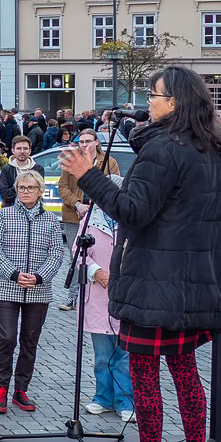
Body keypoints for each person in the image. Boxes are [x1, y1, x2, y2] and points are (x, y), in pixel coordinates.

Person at [60, 65, 221, 442]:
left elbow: (133, 211)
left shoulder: (164, 149)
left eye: (153, 95)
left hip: (156, 279)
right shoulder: (211, 148)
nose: (147, 102)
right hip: (194, 281)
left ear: (173, 102)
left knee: (144, 375)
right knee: (187, 373)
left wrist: (89, 176)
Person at [0, 171, 65, 414]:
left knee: (29, 341)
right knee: (7, 338)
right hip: (7, 287)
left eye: (31, 187)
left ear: (40, 191)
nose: (26, 191)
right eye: (22, 187)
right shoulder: (4, 216)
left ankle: (21, 389)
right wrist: (13, 273)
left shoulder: (51, 220)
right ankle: (1, 389)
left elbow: (57, 253)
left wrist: (39, 276)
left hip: (38, 290)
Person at [76, 179, 134, 421]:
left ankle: (125, 402)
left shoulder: (133, 222)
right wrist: (95, 271)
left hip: (127, 297)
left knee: (124, 355)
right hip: (98, 297)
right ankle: (103, 397)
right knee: (102, 355)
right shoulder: (89, 221)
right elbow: (78, 254)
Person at [56, 128, 119, 311]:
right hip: (74, 216)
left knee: (99, 257)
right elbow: (63, 188)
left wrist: (94, 205)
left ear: (96, 142)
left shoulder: (108, 162)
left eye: (88, 141)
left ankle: (98, 296)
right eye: (81, 141)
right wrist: (77, 204)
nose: (84, 145)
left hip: (99, 218)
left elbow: (113, 186)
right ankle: (73, 296)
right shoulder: (72, 162)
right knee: (76, 257)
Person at [0, 136, 44, 207]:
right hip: (11, 209)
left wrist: (16, 191)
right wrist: (28, 191)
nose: (22, 151)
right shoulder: (6, 169)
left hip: (34, 210)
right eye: (19, 148)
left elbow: (39, 192)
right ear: (13, 150)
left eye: (25, 149)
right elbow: (5, 194)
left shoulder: (38, 169)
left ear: (30, 151)